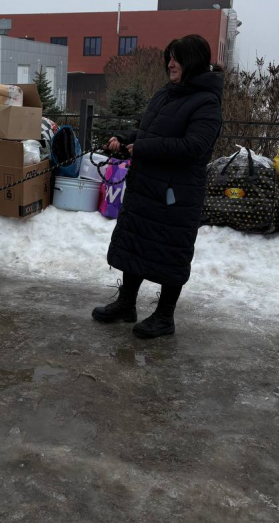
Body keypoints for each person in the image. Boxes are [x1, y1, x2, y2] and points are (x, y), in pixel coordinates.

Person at [92, 34, 223, 338]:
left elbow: (195, 146)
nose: (170, 63)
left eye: (177, 57)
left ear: (194, 62)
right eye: (169, 56)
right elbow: (149, 130)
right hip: (146, 186)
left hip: (176, 193)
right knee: (136, 241)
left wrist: (145, 147)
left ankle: (165, 317)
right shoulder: (168, 93)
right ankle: (126, 304)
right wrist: (126, 138)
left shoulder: (207, 102)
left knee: (170, 251)